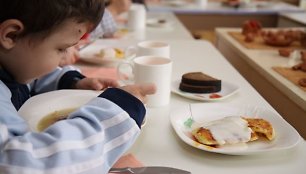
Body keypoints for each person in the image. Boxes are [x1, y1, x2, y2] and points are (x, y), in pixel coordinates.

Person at [0, 0, 156, 173]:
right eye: (61, 49)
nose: (66, 58)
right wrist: (116, 113)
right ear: (11, 36)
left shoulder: (11, 65)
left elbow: (28, 79)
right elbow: (22, 163)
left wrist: (71, 81)